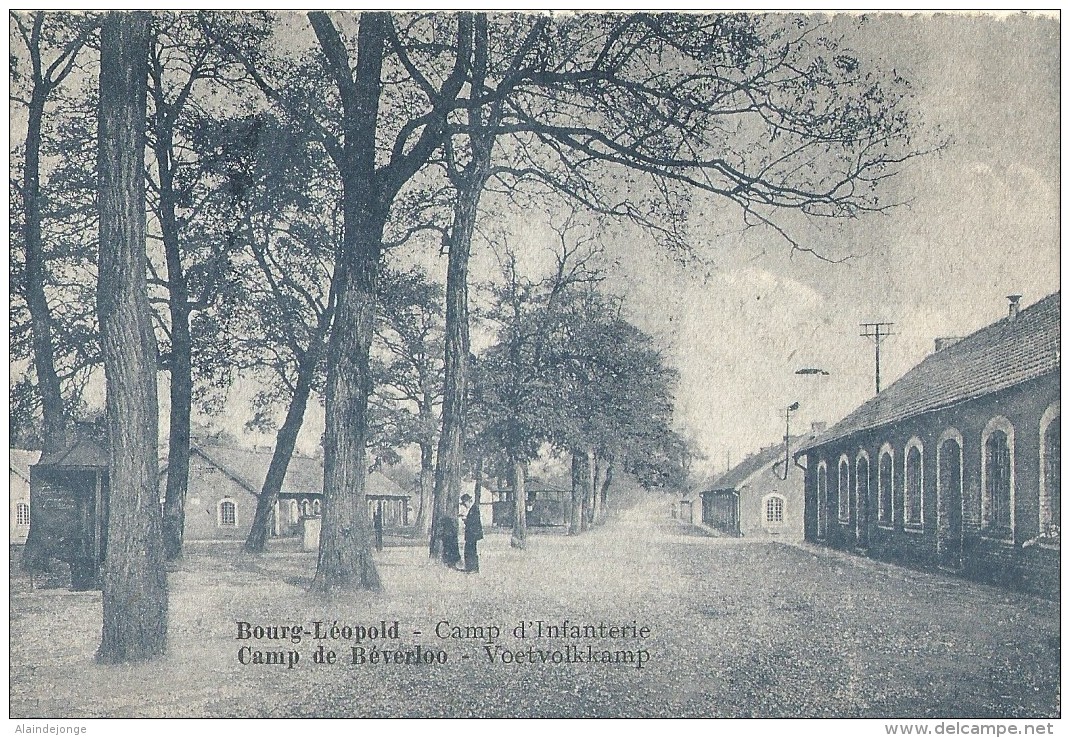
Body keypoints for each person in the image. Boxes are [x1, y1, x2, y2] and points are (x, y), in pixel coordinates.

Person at [460, 493, 483, 573]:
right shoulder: (472, 509)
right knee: (469, 550)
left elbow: (474, 521)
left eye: (464, 503)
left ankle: (473, 568)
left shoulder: (474, 509)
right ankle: (470, 567)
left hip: (473, 534)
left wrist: (466, 520)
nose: (464, 505)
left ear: (468, 501)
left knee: (471, 551)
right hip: (471, 534)